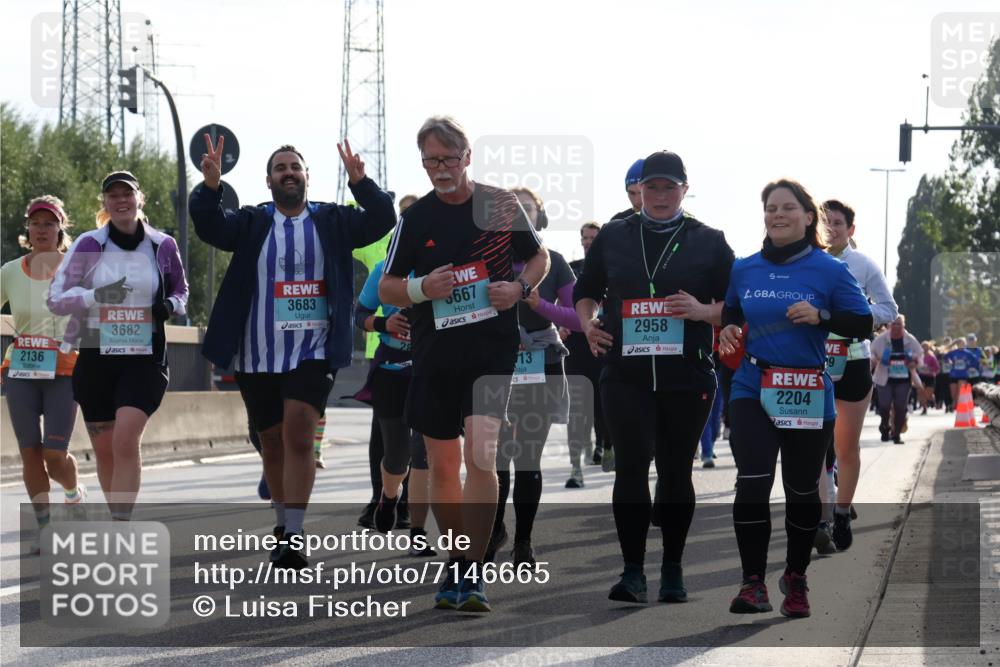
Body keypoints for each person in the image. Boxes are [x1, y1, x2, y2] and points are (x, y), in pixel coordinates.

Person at [190, 137, 396, 569]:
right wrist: (210, 187)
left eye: (294, 167)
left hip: (313, 349)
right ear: (268, 181)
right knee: (270, 440)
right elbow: (210, 227)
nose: (288, 173)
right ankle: (283, 523)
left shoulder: (333, 220)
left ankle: (296, 535)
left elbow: (382, 218)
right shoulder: (251, 222)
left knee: (300, 433)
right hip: (257, 351)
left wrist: (361, 183)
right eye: (280, 168)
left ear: (306, 177)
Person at [380, 116, 549, 612]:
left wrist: (519, 288)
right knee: (442, 465)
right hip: (435, 352)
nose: (440, 169)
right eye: (430, 160)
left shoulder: (500, 205)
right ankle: (455, 559)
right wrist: (421, 288)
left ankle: (473, 569)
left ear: (467, 157)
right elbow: (388, 286)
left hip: (491, 349)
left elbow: (539, 258)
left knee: (480, 454)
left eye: (449, 159)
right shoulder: (415, 219)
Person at [575, 150, 735, 604]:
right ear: (638, 190)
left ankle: (672, 568)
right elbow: (586, 290)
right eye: (652, 187)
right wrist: (587, 323)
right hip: (625, 373)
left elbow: (736, 305)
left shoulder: (709, 240)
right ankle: (632, 572)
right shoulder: (614, 235)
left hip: (686, 374)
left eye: (669, 187)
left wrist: (702, 311)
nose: (660, 196)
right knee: (630, 468)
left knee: (675, 471)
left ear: (685, 190)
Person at [720, 178, 872, 619]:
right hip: (754, 385)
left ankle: (796, 577)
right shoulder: (745, 268)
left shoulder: (830, 270)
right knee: (752, 481)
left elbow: (863, 323)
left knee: (803, 489)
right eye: (771, 208)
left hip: (807, 389)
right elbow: (732, 308)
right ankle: (752, 583)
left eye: (787, 207)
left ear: (808, 218)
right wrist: (728, 327)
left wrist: (821, 316)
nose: (778, 214)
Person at [49, 172, 189, 521]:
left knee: (125, 439)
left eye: (127, 193)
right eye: (113, 195)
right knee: (105, 448)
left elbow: (181, 291)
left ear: (140, 199)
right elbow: (56, 298)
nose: (121, 200)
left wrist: (169, 306)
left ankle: (121, 523)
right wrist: (95, 295)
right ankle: (117, 520)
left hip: (145, 356)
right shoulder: (89, 244)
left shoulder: (162, 245)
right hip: (96, 354)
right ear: (105, 203)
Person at [487, 187, 577, 565]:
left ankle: (523, 541)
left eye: (527, 209)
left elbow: (578, 317)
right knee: (496, 457)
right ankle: (493, 532)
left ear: (539, 217)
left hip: (542, 366)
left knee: (527, 458)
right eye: (513, 210)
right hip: (496, 365)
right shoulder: (486, 259)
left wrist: (541, 305)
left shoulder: (555, 262)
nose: (520, 216)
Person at [2, 196, 86, 550]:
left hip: (65, 372)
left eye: (49, 223)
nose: (41, 229)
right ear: (28, 229)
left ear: (60, 230)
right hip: (20, 371)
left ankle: (73, 492)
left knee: (54, 455)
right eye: (35, 223)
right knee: (30, 453)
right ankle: (46, 527)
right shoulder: (9, 272)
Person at [817, 199, 897, 551]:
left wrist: (855, 316)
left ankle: (841, 512)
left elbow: (889, 309)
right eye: (825, 222)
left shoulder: (863, 264)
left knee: (845, 446)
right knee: (817, 447)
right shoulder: (807, 262)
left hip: (852, 361)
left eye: (838, 223)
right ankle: (821, 518)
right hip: (813, 362)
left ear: (851, 229)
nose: (831, 228)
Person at [355, 259, 436, 556]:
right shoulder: (384, 269)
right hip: (391, 368)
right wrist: (383, 324)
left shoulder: (443, 264)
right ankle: (388, 496)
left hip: (430, 368)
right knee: (398, 457)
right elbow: (359, 314)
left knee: (423, 453)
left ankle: (418, 533)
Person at [564, 221, 613, 470]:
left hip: (602, 339)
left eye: (593, 238)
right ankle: (583, 448)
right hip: (575, 344)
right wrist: (559, 325)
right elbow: (558, 300)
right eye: (585, 237)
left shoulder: (611, 266)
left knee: (602, 398)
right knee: (579, 402)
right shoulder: (571, 268)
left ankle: (604, 445)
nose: (588, 242)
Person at [871, 315, 922, 444]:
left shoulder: (910, 339)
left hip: (903, 380)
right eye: (894, 324)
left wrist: (915, 362)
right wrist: (875, 360)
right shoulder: (881, 339)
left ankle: (896, 434)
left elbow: (920, 354)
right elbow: (871, 352)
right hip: (884, 378)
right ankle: (885, 426)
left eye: (899, 324)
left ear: (904, 325)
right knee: (884, 406)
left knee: (900, 407)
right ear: (889, 326)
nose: (896, 327)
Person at [917, 341, 941, 415]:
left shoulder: (932, 357)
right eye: (923, 346)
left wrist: (929, 369)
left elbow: (937, 368)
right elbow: (915, 364)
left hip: (930, 377)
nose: (924, 348)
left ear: (928, 347)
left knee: (928, 394)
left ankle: (932, 398)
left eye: (926, 346)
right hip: (921, 376)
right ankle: (924, 408)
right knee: (920, 392)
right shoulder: (919, 356)